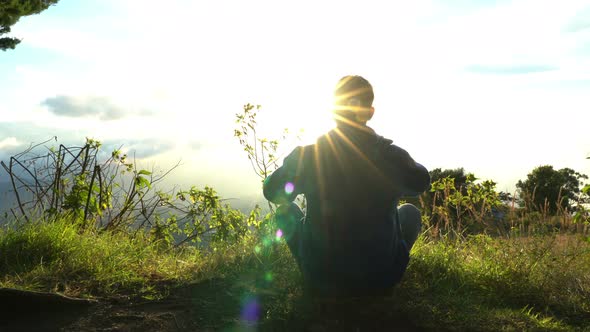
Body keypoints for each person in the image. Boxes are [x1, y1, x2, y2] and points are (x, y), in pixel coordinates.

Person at [263, 75, 430, 296]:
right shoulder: (392, 158)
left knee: (288, 211)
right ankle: (385, 268)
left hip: (322, 278)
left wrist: (295, 167)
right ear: (370, 112)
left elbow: (272, 192)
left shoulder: (308, 157)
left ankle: (310, 268)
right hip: (379, 279)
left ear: (333, 111)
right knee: (409, 213)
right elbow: (421, 182)